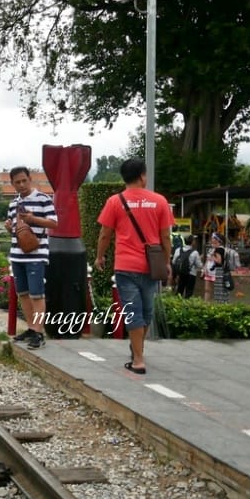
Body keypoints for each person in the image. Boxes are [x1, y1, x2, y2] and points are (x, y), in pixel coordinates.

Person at [94, 158, 173, 375]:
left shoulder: (114, 202)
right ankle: (138, 355)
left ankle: (137, 354)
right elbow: (165, 236)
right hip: (151, 266)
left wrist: (100, 257)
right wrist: (167, 262)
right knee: (146, 312)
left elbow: (105, 234)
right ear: (142, 176)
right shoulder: (159, 201)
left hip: (125, 267)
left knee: (133, 312)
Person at [4, 167, 58, 350]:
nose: (21, 185)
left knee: (37, 294)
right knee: (23, 294)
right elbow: (16, 231)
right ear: (12, 184)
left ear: (30, 179)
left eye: (24, 181)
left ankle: (38, 331)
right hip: (17, 254)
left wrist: (33, 219)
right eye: (17, 182)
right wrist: (8, 227)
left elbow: (53, 223)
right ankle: (31, 328)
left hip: (37, 254)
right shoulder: (13, 204)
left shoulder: (44, 199)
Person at [203, 233, 228, 303]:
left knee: (217, 290)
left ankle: (217, 304)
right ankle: (206, 303)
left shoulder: (220, 249)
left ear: (218, 240)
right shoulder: (212, 249)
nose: (212, 239)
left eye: (213, 238)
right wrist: (204, 269)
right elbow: (207, 260)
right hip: (208, 272)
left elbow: (219, 261)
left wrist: (212, 257)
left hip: (216, 272)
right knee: (207, 289)